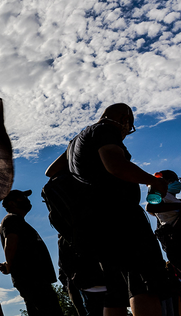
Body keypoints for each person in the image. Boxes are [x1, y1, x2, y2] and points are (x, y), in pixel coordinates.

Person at [46, 103, 169, 316]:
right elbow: (116, 165)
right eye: (129, 127)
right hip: (121, 219)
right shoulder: (105, 131)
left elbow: (51, 171)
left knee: (116, 289)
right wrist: (152, 181)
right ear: (124, 119)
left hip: (96, 228)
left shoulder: (77, 141)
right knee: (143, 281)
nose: (126, 133)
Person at [0, 189, 64, 316]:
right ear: (11, 203)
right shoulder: (12, 219)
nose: (26, 200)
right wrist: (8, 264)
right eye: (22, 197)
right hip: (32, 277)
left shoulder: (17, 220)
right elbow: (10, 243)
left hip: (34, 277)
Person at [146, 170, 181, 268]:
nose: (177, 183)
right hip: (176, 244)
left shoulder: (172, 199)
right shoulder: (163, 195)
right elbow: (150, 207)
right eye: (172, 180)